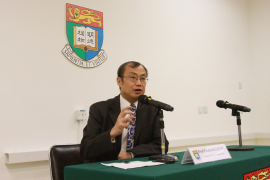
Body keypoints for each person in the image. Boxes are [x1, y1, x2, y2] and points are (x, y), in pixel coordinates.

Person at [80, 61, 169, 163]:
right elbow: (86, 150)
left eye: (143, 79)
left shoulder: (151, 110)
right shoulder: (99, 109)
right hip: (107, 170)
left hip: (139, 169)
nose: (139, 83)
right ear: (119, 81)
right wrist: (112, 133)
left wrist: (131, 154)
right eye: (133, 78)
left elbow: (162, 145)